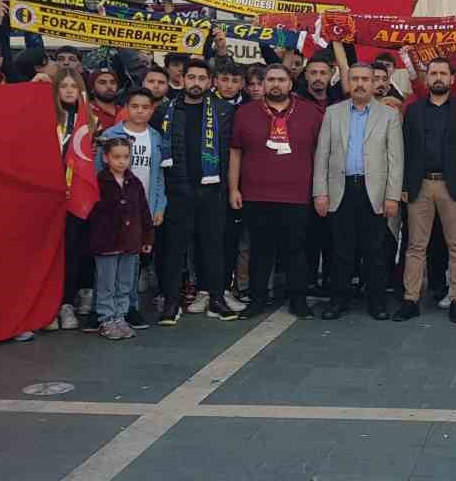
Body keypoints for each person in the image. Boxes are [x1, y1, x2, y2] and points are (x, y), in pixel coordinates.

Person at [230, 63, 324, 319]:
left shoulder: (311, 113)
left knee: (296, 250)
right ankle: (258, 299)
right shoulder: (245, 113)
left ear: (290, 84)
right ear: (263, 83)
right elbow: (236, 151)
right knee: (260, 250)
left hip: (297, 194)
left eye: (281, 79)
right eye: (270, 79)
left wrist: (320, 191)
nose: (276, 84)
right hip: (255, 194)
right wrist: (233, 188)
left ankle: (298, 300)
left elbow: (322, 154)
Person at [314, 62, 403, 320]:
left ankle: (377, 303)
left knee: (374, 251)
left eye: (366, 79)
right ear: (348, 82)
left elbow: (396, 159)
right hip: (341, 189)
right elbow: (322, 155)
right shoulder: (333, 113)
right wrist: (320, 192)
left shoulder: (388, 115)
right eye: (355, 79)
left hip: (373, 191)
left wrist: (392, 196)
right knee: (340, 250)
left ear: (374, 83)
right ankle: (337, 302)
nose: (361, 84)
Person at [396, 58, 456, 322]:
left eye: (443, 73)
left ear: (452, 78)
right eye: (434, 73)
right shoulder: (414, 110)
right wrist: (405, 185)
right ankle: (410, 299)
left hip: (453, 186)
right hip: (420, 184)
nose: (439, 77)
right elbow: (405, 151)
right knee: (415, 246)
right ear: (427, 79)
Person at [161, 58, 238, 322]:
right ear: (182, 79)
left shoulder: (224, 110)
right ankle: (171, 301)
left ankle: (216, 298)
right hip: (177, 190)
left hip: (212, 191)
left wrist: (229, 189)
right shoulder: (166, 111)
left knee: (214, 247)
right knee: (175, 249)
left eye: (202, 78)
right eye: (191, 77)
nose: (196, 83)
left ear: (211, 81)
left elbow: (230, 153)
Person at [97, 89, 167, 329]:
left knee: (132, 263)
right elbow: (98, 173)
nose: (139, 111)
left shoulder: (156, 137)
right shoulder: (111, 135)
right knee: (108, 267)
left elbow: (158, 176)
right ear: (126, 107)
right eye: (134, 106)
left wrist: (159, 205)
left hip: (142, 209)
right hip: (112, 212)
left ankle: (129, 308)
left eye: (145, 107)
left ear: (151, 110)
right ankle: (106, 313)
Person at [87, 137, 155, 340]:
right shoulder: (99, 183)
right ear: (106, 158)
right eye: (116, 157)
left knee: (125, 283)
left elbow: (143, 212)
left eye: (126, 157)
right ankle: (106, 319)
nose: (122, 161)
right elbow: (91, 214)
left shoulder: (134, 183)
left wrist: (147, 238)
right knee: (106, 283)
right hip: (106, 243)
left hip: (130, 243)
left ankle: (120, 317)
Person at [51, 69, 90, 331]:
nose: (68, 90)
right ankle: (48, 306)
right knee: (49, 253)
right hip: (48, 195)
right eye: (63, 86)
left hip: (76, 195)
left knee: (73, 251)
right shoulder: (46, 117)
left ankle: (66, 303)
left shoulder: (88, 120)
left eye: (73, 86)